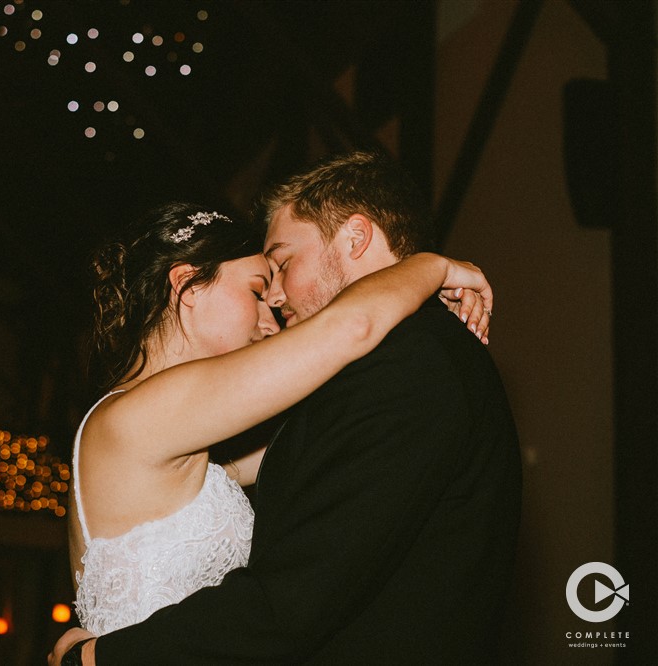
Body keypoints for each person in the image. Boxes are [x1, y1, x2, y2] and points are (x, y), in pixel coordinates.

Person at [51, 152, 520, 665]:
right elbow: (350, 330)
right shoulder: (148, 412)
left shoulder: (407, 363)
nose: (273, 305)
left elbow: (294, 471)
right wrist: (430, 266)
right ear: (187, 287)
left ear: (356, 238)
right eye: (257, 288)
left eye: (281, 266)